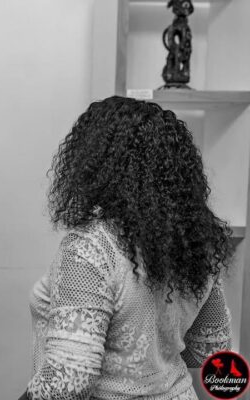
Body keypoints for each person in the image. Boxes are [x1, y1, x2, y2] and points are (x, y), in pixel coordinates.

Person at [21, 96, 233, 400]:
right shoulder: (197, 244)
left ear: (98, 162)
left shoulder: (92, 248)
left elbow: (69, 381)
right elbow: (209, 349)